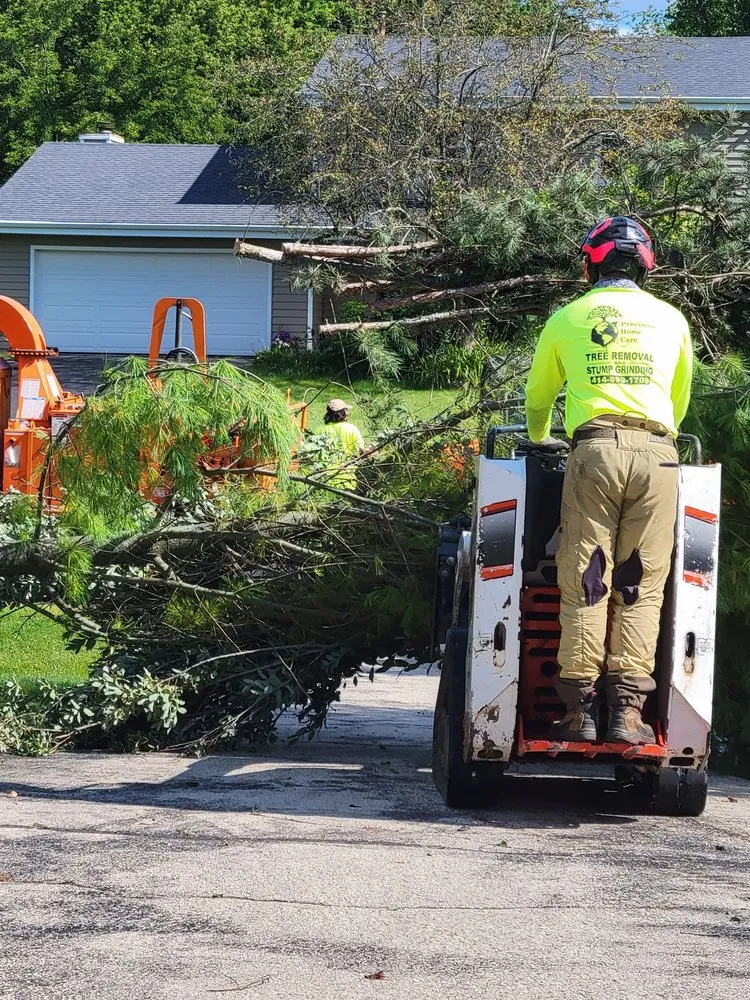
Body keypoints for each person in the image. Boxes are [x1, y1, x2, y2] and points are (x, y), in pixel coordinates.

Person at [524, 216, 693, 745]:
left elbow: (538, 399)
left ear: (590, 263)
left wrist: (540, 436)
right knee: (639, 584)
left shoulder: (568, 317)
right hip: (659, 456)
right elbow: (679, 400)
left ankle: (582, 712)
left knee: (587, 580)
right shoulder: (671, 319)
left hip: (593, 453)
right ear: (646, 265)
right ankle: (626, 714)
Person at [321, 398, 365, 491]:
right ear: (343, 413)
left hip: (323, 480)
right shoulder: (352, 429)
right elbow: (361, 451)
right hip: (348, 480)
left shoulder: (320, 430)